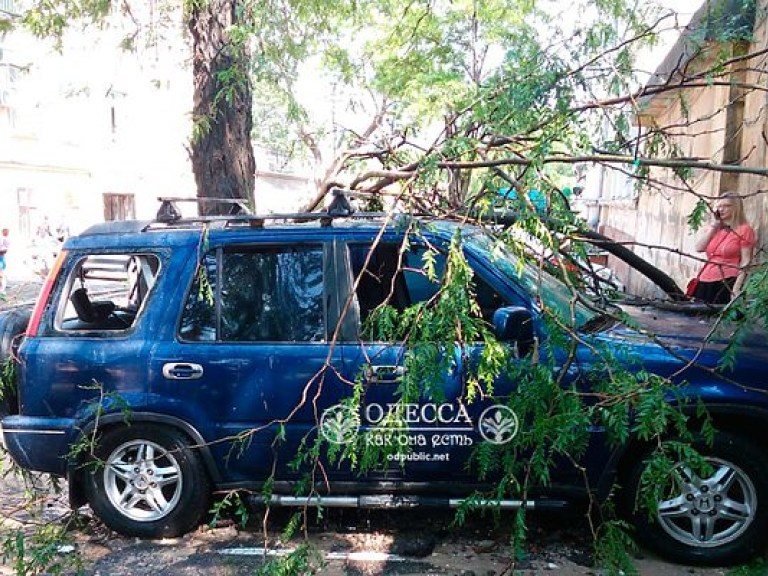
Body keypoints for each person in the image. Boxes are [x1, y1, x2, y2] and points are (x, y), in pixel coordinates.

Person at [691, 191, 756, 304]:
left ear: (736, 208)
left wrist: (736, 288)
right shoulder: (714, 229)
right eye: (719, 206)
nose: (721, 209)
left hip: (727, 280)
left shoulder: (744, 230)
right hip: (705, 279)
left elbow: (746, 261)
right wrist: (714, 227)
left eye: (726, 206)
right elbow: (699, 248)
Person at [0, 228, 9, 293]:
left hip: (2, 259)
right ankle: (1, 290)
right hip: (1, 259)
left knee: (2, 274)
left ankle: (2, 290)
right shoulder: (2, 239)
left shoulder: (5, 239)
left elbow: (4, 250)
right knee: (1, 274)